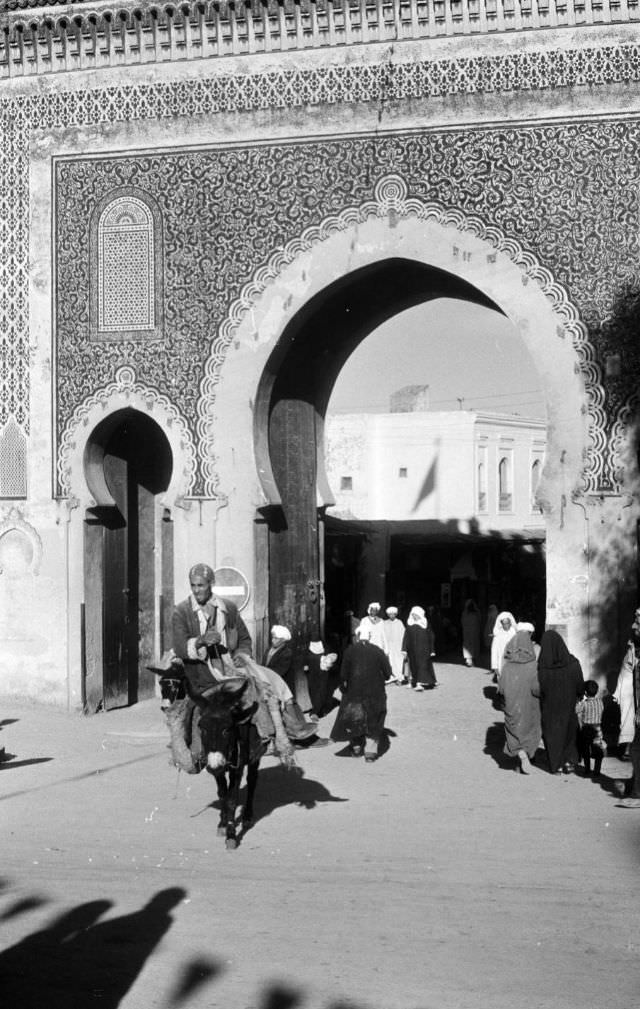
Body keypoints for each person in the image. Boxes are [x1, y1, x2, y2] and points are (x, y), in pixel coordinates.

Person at [172, 562, 253, 697]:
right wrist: (200, 641)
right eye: (193, 585)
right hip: (198, 680)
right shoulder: (181, 611)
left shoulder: (229, 608)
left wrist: (241, 655)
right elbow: (180, 648)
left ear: (211, 583)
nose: (196, 590)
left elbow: (244, 639)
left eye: (200, 585)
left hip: (231, 675)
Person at [330, 625, 390, 761]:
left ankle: (356, 748)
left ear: (357, 636)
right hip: (375, 693)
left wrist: (344, 687)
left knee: (355, 718)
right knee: (374, 719)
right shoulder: (378, 651)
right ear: (370, 636)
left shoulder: (350, 651)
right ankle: (370, 753)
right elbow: (388, 673)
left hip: (354, 693)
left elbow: (343, 674)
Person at [533, 629, 585, 775]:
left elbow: (540, 690)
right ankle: (569, 761)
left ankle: (557, 766)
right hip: (569, 706)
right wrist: (578, 696)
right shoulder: (573, 664)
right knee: (569, 733)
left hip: (550, 708)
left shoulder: (542, 669)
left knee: (553, 735)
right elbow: (580, 686)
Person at [497, 630, 541, 774]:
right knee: (530, 730)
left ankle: (520, 754)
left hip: (512, 706)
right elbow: (536, 689)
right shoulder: (533, 666)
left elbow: (501, 689)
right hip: (530, 707)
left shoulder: (507, 667)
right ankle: (527, 754)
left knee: (514, 730)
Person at [612, 615, 639, 761]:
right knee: (630, 714)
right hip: (631, 689)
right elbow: (627, 671)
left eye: (637, 622)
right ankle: (629, 744)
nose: (633, 626)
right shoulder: (633, 647)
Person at [576, 679, 607, 777]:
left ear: (585, 692)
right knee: (598, 749)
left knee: (586, 749)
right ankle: (597, 770)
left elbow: (576, 711)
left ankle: (587, 769)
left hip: (587, 729)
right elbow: (602, 711)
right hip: (598, 728)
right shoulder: (600, 702)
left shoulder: (584, 703)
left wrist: (578, 701)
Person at [402, 606, 437, 691]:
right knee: (413, 666)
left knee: (422, 665)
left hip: (424, 649)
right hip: (412, 649)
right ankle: (414, 681)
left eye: (416, 615)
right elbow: (406, 637)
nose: (414, 616)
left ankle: (419, 683)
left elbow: (431, 636)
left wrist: (432, 649)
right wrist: (404, 648)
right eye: (413, 615)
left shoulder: (425, 624)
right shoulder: (410, 624)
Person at [303, 639, 339, 717]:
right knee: (316, 691)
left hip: (320, 672)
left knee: (319, 691)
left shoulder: (324, 650)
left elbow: (332, 661)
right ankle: (317, 710)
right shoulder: (311, 650)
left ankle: (316, 711)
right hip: (314, 672)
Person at [263, 625, 295, 693]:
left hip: (281, 685)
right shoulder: (269, 649)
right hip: (269, 681)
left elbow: (279, 671)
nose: (272, 640)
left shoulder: (287, 653)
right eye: (272, 637)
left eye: (276, 638)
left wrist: (264, 675)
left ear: (283, 640)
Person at [490, 611, 517, 683]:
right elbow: (494, 651)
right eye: (504, 624)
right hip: (501, 663)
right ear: (501, 624)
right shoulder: (498, 635)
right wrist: (495, 666)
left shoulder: (515, 633)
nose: (506, 625)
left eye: (507, 623)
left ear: (510, 622)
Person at [383, 606, 406, 683]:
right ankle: (393, 676)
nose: (391, 616)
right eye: (390, 614)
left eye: (393, 614)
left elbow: (403, 634)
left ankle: (399, 677)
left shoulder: (399, 622)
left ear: (395, 614)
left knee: (399, 661)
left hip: (398, 645)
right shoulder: (385, 623)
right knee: (391, 661)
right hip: (389, 645)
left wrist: (403, 647)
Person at [461, 600, 481, 667]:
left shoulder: (466, 613)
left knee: (469, 644)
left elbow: (462, 621)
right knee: (471, 644)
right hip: (472, 631)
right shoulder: (475, 613)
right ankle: (470, 660)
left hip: (469, 631)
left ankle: (469, 660)